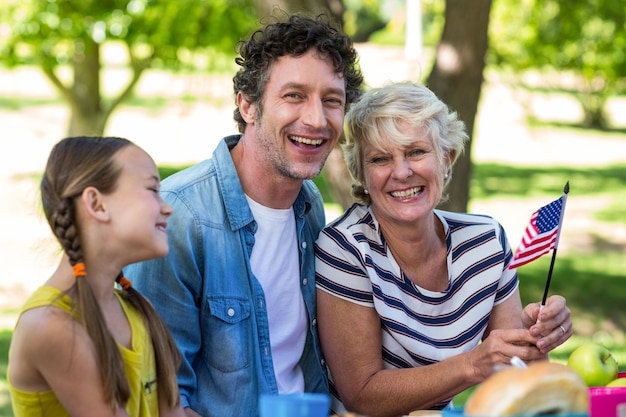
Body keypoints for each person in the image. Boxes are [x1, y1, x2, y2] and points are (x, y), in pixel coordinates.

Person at [123, 12, 364, 417]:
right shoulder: (180, 216)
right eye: (294, 96)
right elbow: (161, 401)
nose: (316, 119)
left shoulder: (308, 206)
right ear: (248, 105)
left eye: (331, 100)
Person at [315, 81, 573, 417]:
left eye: (416, 152)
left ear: (446, 158)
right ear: (361, 174)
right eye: (380, 158)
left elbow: (519, 379)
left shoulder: (486, 242)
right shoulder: (345, 249)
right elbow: (361, 394)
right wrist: (473, 365)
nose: (402, 172)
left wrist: (536, 337)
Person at [7, 136, 186, 417]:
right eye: (152, 189)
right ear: (97, 203)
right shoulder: (52, 326)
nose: (167, 207)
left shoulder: (140, 312)